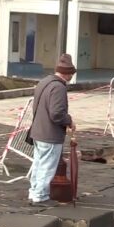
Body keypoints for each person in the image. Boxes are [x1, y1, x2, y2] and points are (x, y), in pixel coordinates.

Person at [28, 54, 77, 207]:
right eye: (71, 73)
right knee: (47, 166)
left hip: (38, 131)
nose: (72, 76)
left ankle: (34, 191)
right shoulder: (59, 87)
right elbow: (56, 114)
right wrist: (69, 120)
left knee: (38, 163)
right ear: (67, 72)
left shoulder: (44, 82)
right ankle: (40, 196)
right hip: (50, 134)